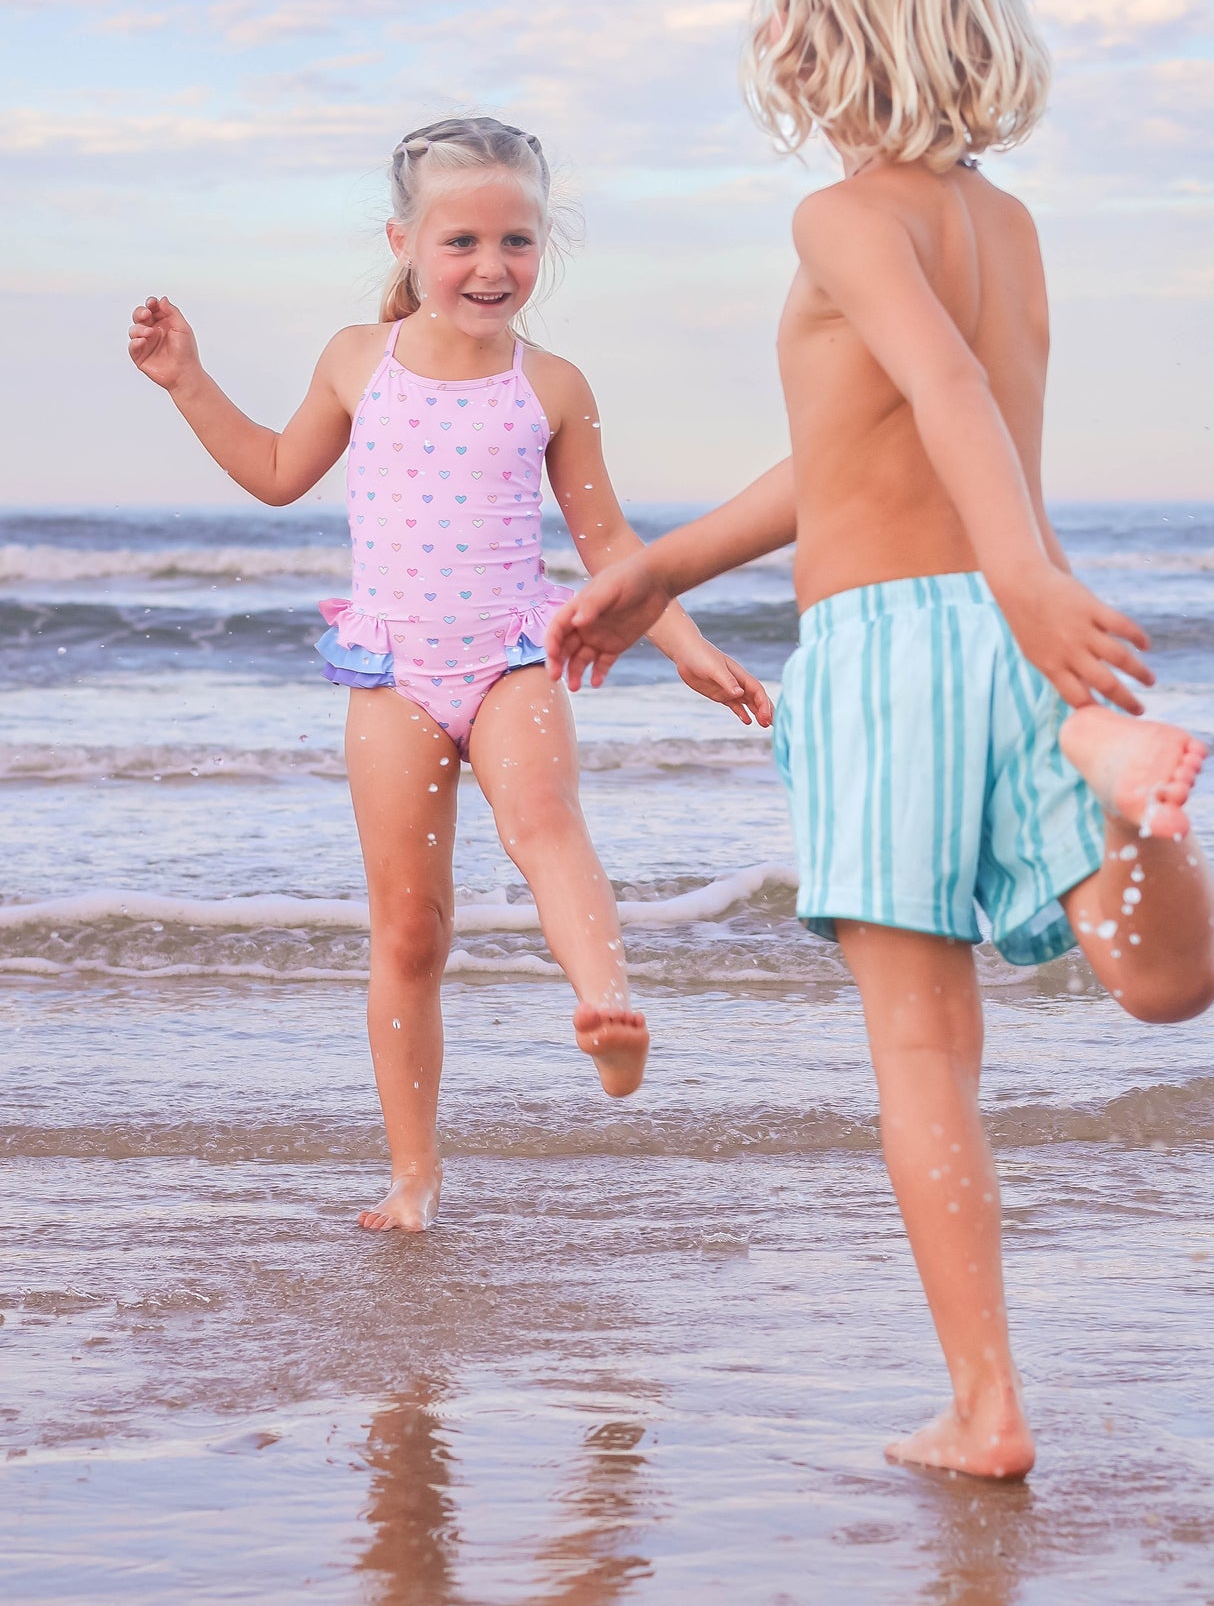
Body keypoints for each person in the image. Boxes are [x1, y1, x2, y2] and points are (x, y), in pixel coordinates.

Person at [546, 0, 1214, 1479]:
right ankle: (1137, 807)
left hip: (897, 643)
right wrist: (660, 566)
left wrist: (1025, 570)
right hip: (1010, 650)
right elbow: (862, 442)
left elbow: (941, 391)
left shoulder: (839, 215)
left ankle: (985, 1404)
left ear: (816, 32)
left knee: (922, 1045)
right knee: (1160, 983)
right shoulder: (1003, 220)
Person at [128, 115, 770, 1233]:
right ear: (404, 243)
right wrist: (187, 381)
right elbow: (277, 472)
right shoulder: (354, 359)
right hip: (391, 669)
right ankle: (413, 1176)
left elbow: (610, 546)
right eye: (461, 241)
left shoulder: (554, 384)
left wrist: (687, 648)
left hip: (514, 648)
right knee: (410, 931)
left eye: (516, 241)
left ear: (543, 246)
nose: (490, 266)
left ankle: (607, 1007)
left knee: (541, 819)